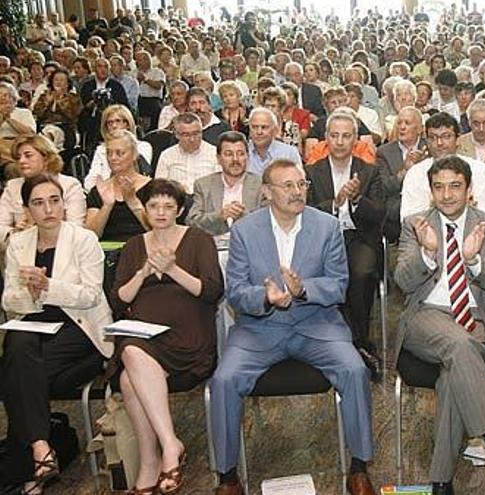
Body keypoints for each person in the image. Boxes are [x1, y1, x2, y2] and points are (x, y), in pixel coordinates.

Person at [209, 158, 377, 495]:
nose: (297, 191)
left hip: (316, 325)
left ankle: (359, 467)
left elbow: (337, 286)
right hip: (260, 329)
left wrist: (303, 291)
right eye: (288, 186)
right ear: (267, 192)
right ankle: (227, 476)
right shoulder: (245, 230)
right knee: (223, 380)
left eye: (301, 184)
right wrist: (266, 297)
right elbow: (237, 292)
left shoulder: (327, 226)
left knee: (355, 371)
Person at [394, 155, 485, 495]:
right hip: (426, 316)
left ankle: (441, 481)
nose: (447, 194)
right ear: (431, 191)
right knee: (460, 345)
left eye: (455, 186)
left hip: (473, 319)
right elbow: (403, 282)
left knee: (454, 373)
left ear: (469, 191)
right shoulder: (416, 223)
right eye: (439, 187)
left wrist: (473, 261)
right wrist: (427, 253)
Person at [108, 179, 224, 494]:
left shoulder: (199, 240)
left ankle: (153, 458)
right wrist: (143, 272)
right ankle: (167, 446)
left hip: (189, 339)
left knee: (129, 377)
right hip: (145, 337)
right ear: (145, 210)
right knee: (131, 359)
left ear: (180, 210)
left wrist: (172, 269)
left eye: (168, 206)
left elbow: (212, 291)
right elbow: (119, 299)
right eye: (154, 206)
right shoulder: (133, 246)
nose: (160, 212)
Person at [1, 175, 113, 495]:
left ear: (64, 203)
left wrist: (48, 286)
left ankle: (30, 469)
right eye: (38, 203)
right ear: (26, 209)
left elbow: (91, 295)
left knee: (16, 374)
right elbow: (9, 300)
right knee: (20, 346)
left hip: (80, 327)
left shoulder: (83, 239)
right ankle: (40, 449)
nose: (48, 208)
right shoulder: (19, 244)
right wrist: (31, 293)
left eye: (54, 200)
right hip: (34, 325)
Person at [305, 109, 386, 381]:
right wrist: (334, 203)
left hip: (358, 236)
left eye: (346, 136)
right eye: (334, 135)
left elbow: (379, 214)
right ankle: (334, 342)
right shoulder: (311, 172)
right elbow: (304, 211)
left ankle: (360, 339)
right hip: (322, 240)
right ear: (325, 139)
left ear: (356, 141)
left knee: (360, 273)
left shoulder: (370, 172)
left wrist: (355, 201)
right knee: (322, 274)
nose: (340, 141)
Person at [399, 112, 485, 220]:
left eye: (446, 136)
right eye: (433, 137)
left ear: (458, 139)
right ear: (426, 141)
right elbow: (407, 218)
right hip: (426, 233)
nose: (439, 143)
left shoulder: (479, 170)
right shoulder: (415, 174)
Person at [0, 135, 86, 242]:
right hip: (20, 245)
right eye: (18, 157)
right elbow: (1, 227)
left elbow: (76, 227)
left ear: (46, 158)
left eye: (28, 155)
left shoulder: (70, 185)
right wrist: (15, 233)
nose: (21, 161)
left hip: (62, 245)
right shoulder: (12, 186)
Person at [187, 131, 263, 236]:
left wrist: (244, 215)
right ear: (218, 159)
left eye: (240, 154)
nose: (235, 159)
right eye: (229, 154)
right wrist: (220, 215)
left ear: (247, 157)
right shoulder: (203, 185)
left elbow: (269, 223)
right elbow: (192, 222)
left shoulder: (262, 185)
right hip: (214, 247)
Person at [84, 130, 151, 242]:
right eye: (109, 153)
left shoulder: (152, 187)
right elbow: (91, 235)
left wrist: (133, 202)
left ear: (134, 155)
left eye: (120, 153)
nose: (113, 158)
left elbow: (156, 230)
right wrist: (107, 206)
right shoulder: (98, 191)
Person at [375, 106, 426, 243]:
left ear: (420, 128)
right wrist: (405, 171)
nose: (402, 127)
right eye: (399, 123)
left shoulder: (429, 149)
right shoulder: (384, 152)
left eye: (407, 123)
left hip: (427, 206)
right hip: (396, 212)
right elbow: (383, 188)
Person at [83, 104, 153, 192]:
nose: (114, 126)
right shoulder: (101, 149)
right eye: (110, 123)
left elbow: (142, 173)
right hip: (105, 191)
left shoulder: (143, 147)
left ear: (127, 124)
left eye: (118, 121)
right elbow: (89, 182)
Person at [154, 113, 220, 195]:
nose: (192, 139)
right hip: (177, 200)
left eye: (196, 134)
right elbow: (159, 187)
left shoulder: (214, 153)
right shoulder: (167, 155)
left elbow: (219, 187)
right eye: (186, 135)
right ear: (177, 135)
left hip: (206, 201)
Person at [247, 107, 301, 176]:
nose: (259, 132)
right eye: (254, 127)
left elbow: (299, 183)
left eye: (264, 127)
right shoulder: (241, 153)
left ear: (274, 130)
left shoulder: (289, 153)